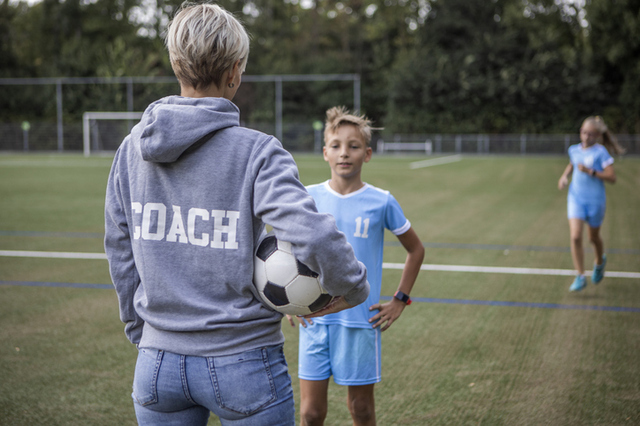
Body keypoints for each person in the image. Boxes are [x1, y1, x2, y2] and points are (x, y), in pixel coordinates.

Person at [104, 4, 369, 425]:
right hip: (244, 361)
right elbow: (311, 235)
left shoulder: (130, 149)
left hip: (157, 364)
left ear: (176, 64)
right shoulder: (259, 152)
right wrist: (352, 288)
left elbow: (120, 249)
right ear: (234, 73)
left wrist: (142, 332)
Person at [287, 106, 425, 426]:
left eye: (353, 146)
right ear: (325, 153)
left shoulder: (382, 201)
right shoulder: (308, 198)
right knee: (310, 413)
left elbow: (416, 250)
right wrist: (290, 300)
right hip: (315, 320)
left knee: (360, 409)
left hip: (360, 322)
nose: (344, 153)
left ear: (368, 154)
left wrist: (399, 300)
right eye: (335, 145)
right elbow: (288, 254)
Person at [558, 115, 625, 292]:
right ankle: (580, 275)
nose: (586, 136)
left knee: (593, 238)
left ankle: (599, 262)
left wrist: (591, 172)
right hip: (576, 198)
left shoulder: (600, 152)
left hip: (595, 201)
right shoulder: (574, 150)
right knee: (575, 236)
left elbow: (612, 177)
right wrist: (564, 177)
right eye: (583, 132)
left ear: (597, 136)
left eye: (590, 134)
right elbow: (572, 164)